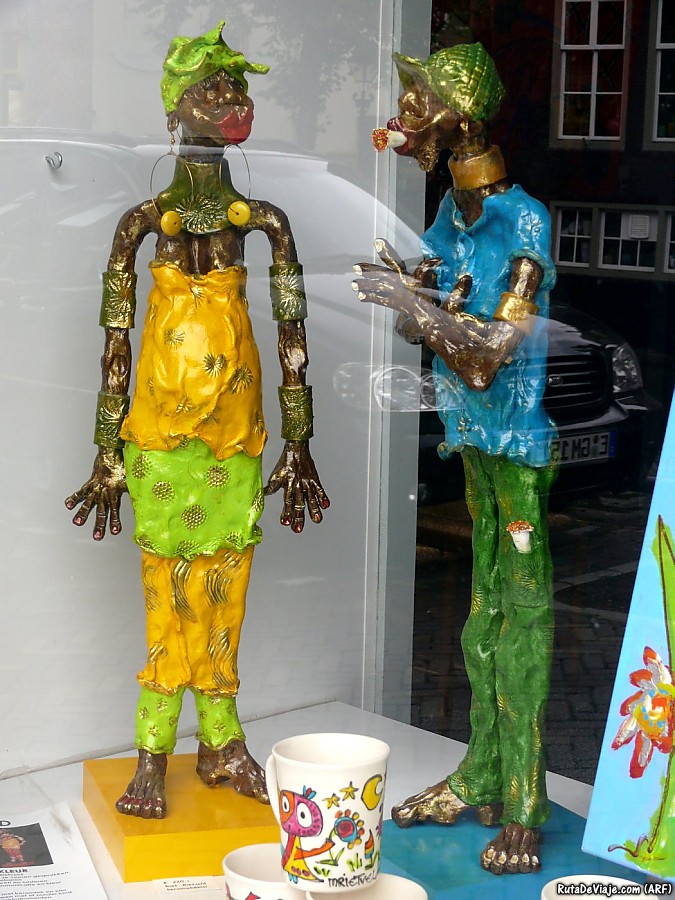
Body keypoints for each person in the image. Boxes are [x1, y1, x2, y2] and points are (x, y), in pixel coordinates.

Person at [66, 21, 328, 820]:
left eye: (233, 86)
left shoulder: (264, 221)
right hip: (158, 437)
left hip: (235, 439)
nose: (228, 98)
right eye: (209, 88)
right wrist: (105, 450)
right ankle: (153, 749)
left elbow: (293, 337)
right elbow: (114, 342)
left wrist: (299, 442)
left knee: (226, 584)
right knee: (165, 587)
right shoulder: (141, 223)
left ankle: (221, 743)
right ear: (174, 108)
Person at [353, 42, 557, 875]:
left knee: (522, 615)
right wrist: (415, 301)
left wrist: (412, 301)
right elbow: (426, 326)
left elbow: (482, 361)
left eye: (419, 102)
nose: (404, 117)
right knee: (479, 620)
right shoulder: (452, 213)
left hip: (514, 449)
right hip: (471, 441)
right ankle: (481, 775)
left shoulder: (525, 220)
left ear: (461, 117)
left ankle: (525, 801)